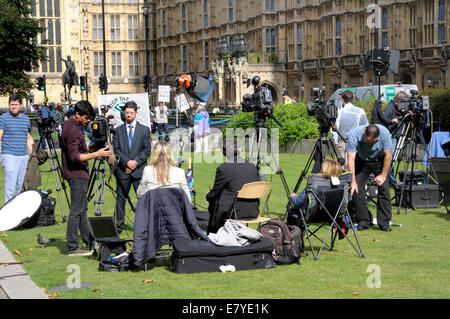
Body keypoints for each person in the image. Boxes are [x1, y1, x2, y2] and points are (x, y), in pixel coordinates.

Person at [60, 100, 112, 256]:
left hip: (79, 173)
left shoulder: (75, 126)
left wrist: (91, 149)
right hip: (75, 173)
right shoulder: (71, 129)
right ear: (77, 115)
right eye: (86, 118)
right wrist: (97, 154)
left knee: (82, 209)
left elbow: (79, 150)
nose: (88, 121)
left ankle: (89, 242)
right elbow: (75, 157)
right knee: (76, 210)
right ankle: (72, 247)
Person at [112, 101, 151, 233]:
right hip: (122, 171)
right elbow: (116, 149)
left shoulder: (144, 130)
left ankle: (145, 226)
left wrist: (135, 162)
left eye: (131, 112)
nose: (128, 115)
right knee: (120, 201)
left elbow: (146, 150)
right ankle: (118, 227)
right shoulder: (117, 131)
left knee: (143, 200)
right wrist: (127, 162)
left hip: (139, 171)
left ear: (136, 113)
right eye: (126, 112)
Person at [206, 138, 260, 234]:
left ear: (223, 153)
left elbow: (214, 194)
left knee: (214, 202)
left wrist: (208, 195)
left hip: (234, 212)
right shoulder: (252, 167)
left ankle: (213, 234)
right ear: (239, 150)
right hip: (253, 211)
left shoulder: (224, 168)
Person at [347, 124, 393, 232]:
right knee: (356, 189)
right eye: (368, 142)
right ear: (364, 133)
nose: (370, 145)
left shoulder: (385, 133)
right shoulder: (354, 134)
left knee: (384, 189)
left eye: (373, 142)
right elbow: (350, 158)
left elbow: (388, 155)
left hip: (380, 161)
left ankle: (384, 223)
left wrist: (383, 175)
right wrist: (353, 181)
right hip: (362, 161)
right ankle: (363, 221)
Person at [0, 93, 34, 202]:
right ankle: (8, 215)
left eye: (15, 104)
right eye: (11, 104)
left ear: (21, 105)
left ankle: (19, 215)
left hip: (23, 156)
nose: (13, 106)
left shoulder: (25, 119)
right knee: (10, 189)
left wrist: (33, 155)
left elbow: (28, 138)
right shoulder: (3, 118)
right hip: (9, 156)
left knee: (21, 188)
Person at [333, 90, 368, 169]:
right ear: (353, 99)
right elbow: (365, 127)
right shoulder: (360, 111)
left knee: (343, 167)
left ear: (342, 99)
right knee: (354, 166)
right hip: (356, 142)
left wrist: (336, 141)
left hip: (342, 141)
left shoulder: (339, 112)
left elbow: (335, 128)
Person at [383, 91, 408, 184]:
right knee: (390, 159)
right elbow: (385, 120)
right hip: (392, 136)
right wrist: (392, 121)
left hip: (397, 136)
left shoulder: (399, 108)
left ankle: (390, 179)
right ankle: (392, 181)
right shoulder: (391, 107)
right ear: (397, 101)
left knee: (393, 160)